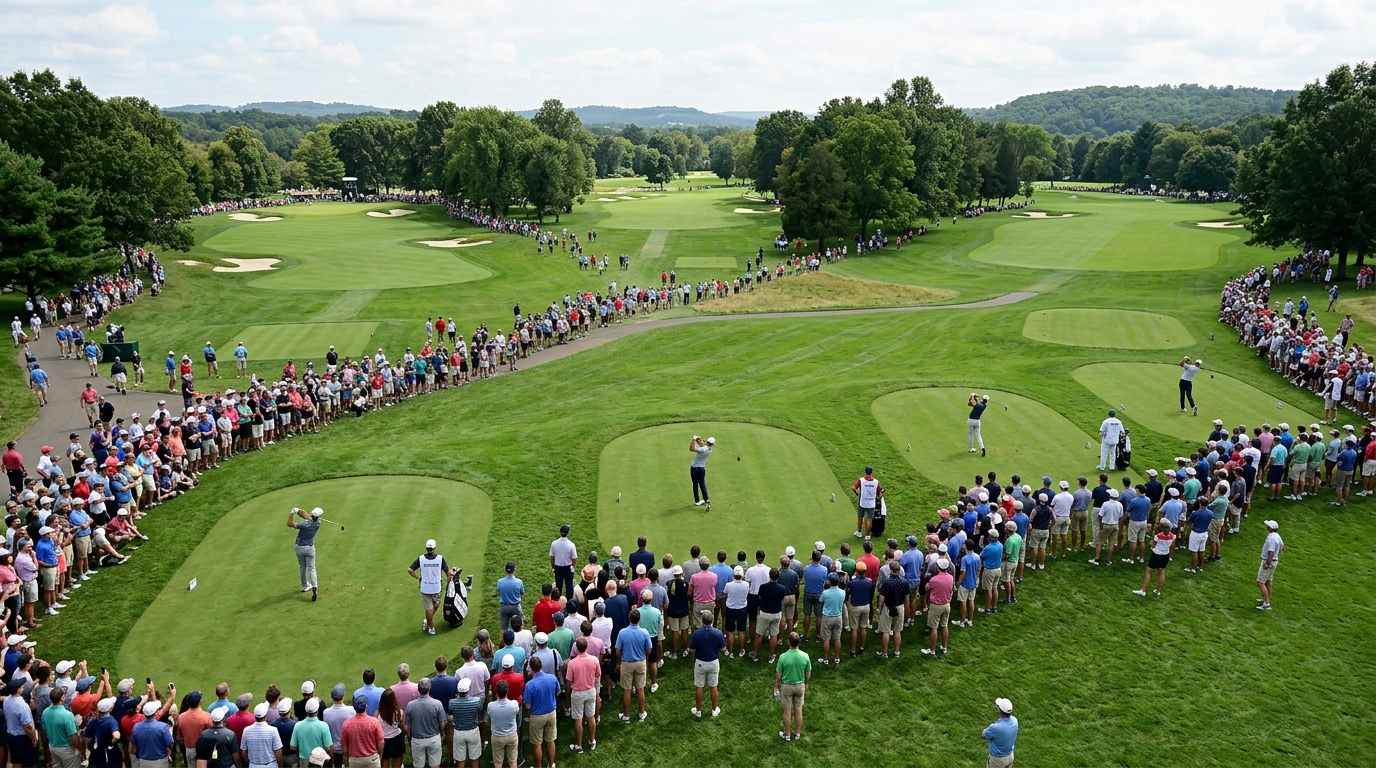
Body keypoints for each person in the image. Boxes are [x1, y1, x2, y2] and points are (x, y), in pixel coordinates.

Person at [613, 608, 652, 723]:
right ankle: (641, 713)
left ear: (629, 619)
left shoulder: (622, 632)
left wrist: (619, 662)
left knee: (626, 690)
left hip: (626, 664)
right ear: (639, 619)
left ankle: (626, 716)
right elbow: (649, 649)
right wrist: (644, 656)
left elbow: (618, 651)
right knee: (640, 689)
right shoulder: (644, 632)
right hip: (640, 663)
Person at [773, 633, 811, 742]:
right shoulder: (805, 656)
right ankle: (797, 733)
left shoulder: (783, 657)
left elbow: (779, 674)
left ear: (789, 642)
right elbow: (808, 672)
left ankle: (787, 734)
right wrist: (806, 683)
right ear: (799, 642)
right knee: (799, 710)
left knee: (787, 711)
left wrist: (776, 685)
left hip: (786, 687)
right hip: (800, 686)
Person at [687, 610, 726, 718]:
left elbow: (692, 649)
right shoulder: (718, 633)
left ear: (702, 621)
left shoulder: (697, 633)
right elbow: (723, 648)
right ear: (712, 620)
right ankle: (714, 710)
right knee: (713, 686)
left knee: (699, 686)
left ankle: (698, 711)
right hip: (713, 662)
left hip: (700, 663)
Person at [563, 638, 599, 754]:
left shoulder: (572, 663)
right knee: (591, 716)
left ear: (576, 648)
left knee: (578, 719)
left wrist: (567, 697)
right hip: (590, 691)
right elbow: (598, 675)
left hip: (577, 693)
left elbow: (568, 681)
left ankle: (579, 745)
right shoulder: (594, 660)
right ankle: (592, 740)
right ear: (586, 647)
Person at [522, 657, 558, 768]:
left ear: (531, 669)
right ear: (541, 666)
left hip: (537, 717)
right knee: (550, 740)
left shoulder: (529, 685)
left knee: (537, 743)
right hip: (551, 713)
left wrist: (528, 715)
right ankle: (551, 764)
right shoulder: (552, 678)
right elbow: (558, 691)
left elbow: (528, 705)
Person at [408, 539, 449, 635]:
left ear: (426, 548)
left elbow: (410, 570)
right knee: (434, 606)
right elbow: (447, 573)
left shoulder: (421, 558)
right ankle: (431, 627)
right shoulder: (440, 558)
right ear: (434, 548)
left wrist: (418, 577)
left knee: (429, 608)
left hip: (425, 588)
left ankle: (428, 622)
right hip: (436, 587)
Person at [403, 679, 444, 768]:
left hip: (417, 740)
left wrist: (410, 735)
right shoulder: (437, 703)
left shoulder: (410, 705)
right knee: (435, 765)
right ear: (429, 689)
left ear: (418, 690)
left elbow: (406, 727)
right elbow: (442, 724)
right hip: (433, 738)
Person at [444, 679, 482, 768]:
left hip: (459, 733)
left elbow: (451, 713)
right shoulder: (476, 701)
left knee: (460, 760)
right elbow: (479, 711)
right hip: (473, 732)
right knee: (474, 758)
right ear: (468, 690)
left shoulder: (452, 702)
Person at [287, 508, 323, 601]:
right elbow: (306, 516)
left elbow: (289, 524)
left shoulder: (304, 524)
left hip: (299, 547)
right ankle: (314, 586)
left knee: (302, 567)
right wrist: (299, 510)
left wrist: (292, 513)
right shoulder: (318, 523)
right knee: (312, 568)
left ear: (312, 514)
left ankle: (305, 586)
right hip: (310, 548)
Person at [876, 561, 908, 658]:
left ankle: (884, 653)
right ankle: (897, 652)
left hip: (888, 607)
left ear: (890, 570)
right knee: (897, 630)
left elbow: (882, 597)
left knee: (886, 631)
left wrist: (879, 608)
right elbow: (907, 597)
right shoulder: (904, 582)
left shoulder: (886, 582)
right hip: (900, 606)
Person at [339, 696, 383, 768]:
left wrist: (346, 758)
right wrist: (380, 755)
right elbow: (381, 741)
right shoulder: (374, 722)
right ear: (366, 707)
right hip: (372, 759)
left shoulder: (347, 724)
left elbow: (344, 745)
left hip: (355, 761)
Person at [1134, 522, 1175, 596]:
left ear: (1161, 528)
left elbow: (1152, 545)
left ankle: (1143, 590)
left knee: (1149, 571)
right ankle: (1158, 590)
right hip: (1165, 555)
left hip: (1156, 555)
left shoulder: (1158, 536)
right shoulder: (1172, 536)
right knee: (1161, 572)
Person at [924, 556, 953, 655]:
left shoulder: (934, 579)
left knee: (934, 627)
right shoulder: (950, 577)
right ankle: (944, 647)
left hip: (936, 606)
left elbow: (927, 588)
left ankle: (932, 649)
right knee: (944, 626)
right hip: (946, 605)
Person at [486, 681, 519, 768]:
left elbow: (489, 714)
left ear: (496, 692)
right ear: (507, 691)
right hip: (511, 735)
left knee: (498, 762)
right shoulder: (514, 704)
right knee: (513, 761)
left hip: (497, 737)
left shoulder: (491, 706)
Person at [240, 703, 283, 768]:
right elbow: (278, 752)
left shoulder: (246, 730)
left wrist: (250, 762)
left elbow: (244, 753)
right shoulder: (273, 730)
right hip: (270, 765)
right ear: (265, 716)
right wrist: (280, 766)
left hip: (253, 765)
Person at [982, 698, 1018, 768]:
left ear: (1000, 710)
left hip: (997, 760)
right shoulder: (1015, 720)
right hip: (1010, 755)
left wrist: (993, 725)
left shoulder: (995, 727)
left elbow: (983, 735)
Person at [1257, 520, 1284, 610]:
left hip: (1269, 561)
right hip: (1274, 561)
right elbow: (1282, 547)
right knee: (1268, 581)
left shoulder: (1271, 538)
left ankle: (1266, 604)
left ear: (1270, 528)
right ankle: (1266, 599)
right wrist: (1277, 555)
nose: (1266, 526)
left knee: (1260, 582)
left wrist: (1267, 564)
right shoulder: (1277, 536)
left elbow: (1271, 552)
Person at [548, 524, 576, 601]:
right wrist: (572, 566)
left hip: (558, 567)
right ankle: (569, 602)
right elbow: (574, 559)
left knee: (558, 585)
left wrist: (553, 567)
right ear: (567, 533)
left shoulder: (554, 543)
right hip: (568, 568)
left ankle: (557, 602)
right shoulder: (571, 545)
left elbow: (552, 557)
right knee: (569, 586)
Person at [852, 466, 881, 540]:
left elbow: (853, 488)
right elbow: (879, 493)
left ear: (865, 472)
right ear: (872, 472)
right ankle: (867, 535)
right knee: (869, 519)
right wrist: (880, 496)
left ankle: (859, 532)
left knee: (860, 517)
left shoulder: (861, 480)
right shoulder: (876, 482)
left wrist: (856, 493)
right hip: (871, 504)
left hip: (862, 502)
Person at [497, 562, 524, 631]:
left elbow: (499, 591)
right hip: (515, 607)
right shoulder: (519, 582)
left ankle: (502, 641)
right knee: (519, 626)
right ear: (514, 570)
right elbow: (522, 592)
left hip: (504, 607)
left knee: (503, 628)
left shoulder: (500, 581)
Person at [689, 436, 714, 509]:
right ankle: (706, 499)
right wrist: (698, 440)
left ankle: (697, 501)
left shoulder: (703, 449)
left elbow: (691, 449)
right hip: (702, 469)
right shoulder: (710, 449)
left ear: (707, 442)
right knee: (702, 484)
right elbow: (701, 445)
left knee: (695, 484)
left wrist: (694, 439)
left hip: (694, 468)